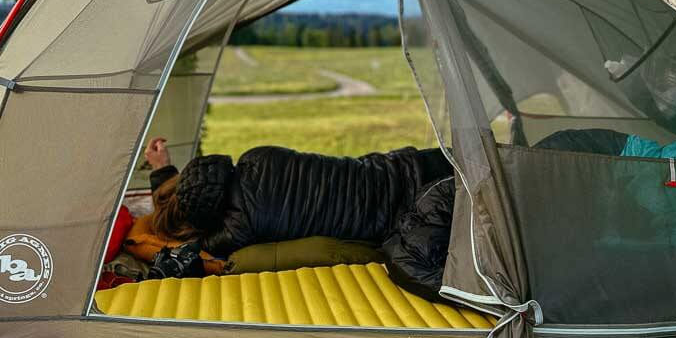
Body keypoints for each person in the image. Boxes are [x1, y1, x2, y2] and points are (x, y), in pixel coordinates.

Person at [141, 137, 453, 260]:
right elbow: (187, 192)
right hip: (405, 166)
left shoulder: (236, 230)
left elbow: (189, 244)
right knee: (479, 157)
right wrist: (163, 169)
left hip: (413, 210)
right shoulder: (257, 156)